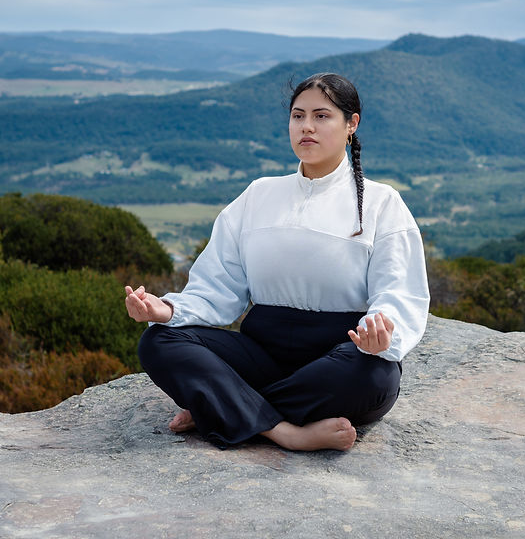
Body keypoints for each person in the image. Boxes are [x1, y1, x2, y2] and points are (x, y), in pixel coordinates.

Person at [124, 72, 429, 451]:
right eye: (298, 116)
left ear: (352, 124)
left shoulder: (383, 204)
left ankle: (223, 408)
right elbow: (218, 289)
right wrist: (167, 308)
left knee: (375, 375)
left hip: (339, 358)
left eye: (322, 116)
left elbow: (398, 294)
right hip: (262, 354)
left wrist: (381, 334)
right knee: (160, 341)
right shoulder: (258, 195)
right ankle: (286, 432)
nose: (307, 127)